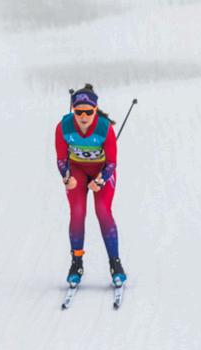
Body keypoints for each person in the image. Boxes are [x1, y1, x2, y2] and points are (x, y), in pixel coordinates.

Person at [55, 84, 126, 287]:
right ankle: (76, 264)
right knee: (77, 212)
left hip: (100, 170)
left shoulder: (105, 128)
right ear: (73, 110)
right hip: (77, 170)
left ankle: (115, 264)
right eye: (79, 112)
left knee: (103, 211)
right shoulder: (63, 127)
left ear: (96, 110)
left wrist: (101, 180)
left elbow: (111, 162)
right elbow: (61, 158)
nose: (84, 117)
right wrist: (66, 177)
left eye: (88, 112)